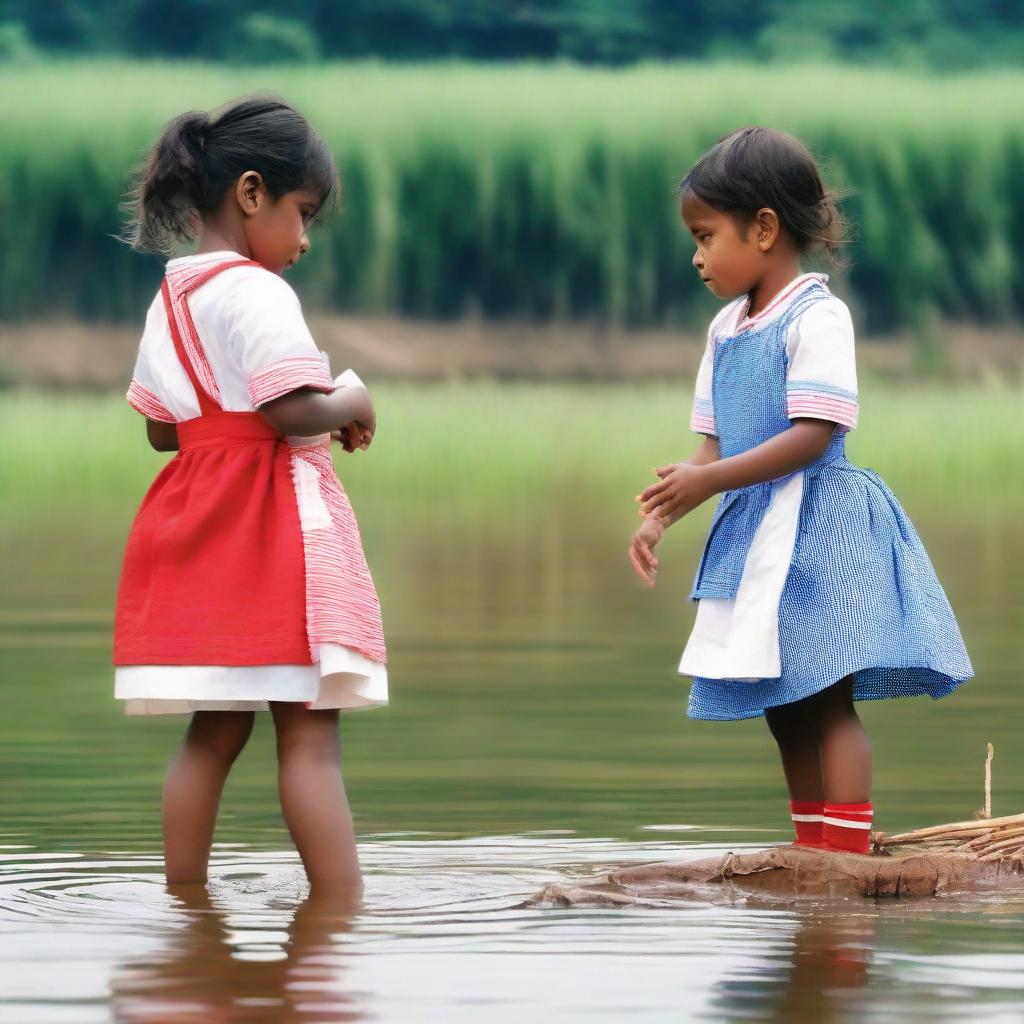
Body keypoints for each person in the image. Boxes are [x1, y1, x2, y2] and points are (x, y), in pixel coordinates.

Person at [628, 127, 972, 853]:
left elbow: (813, 435)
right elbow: (712, 444)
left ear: (762, 229)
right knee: (781, 702)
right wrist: (666, 511)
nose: (695, 257)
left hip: (820, 528)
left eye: (704, 236)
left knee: (824, 696)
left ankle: (844, 859)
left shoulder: (818, 317)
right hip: (758, 534)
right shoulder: (726, 330)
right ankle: (813, 851)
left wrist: (709, 480)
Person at [113, 95, 386, 899]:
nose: (303, 240)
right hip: (268, 528)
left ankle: (185, 904)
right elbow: (289, 411)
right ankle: (340, 914)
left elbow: (164, 433)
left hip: (195, 525)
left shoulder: (170, 297)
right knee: (308, 733)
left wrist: (241, 420)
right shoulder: (257, 291)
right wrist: (354, 402)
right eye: (303, 214)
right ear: (253, 193)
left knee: (215, 729)